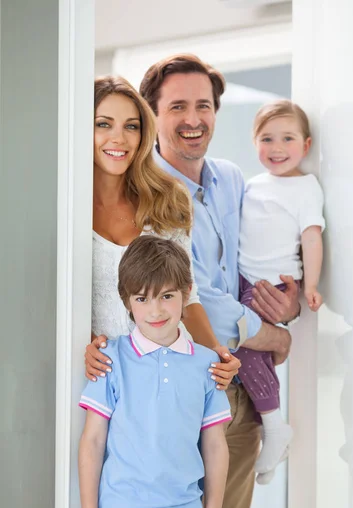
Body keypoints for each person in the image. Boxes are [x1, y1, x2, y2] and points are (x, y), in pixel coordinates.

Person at [139, 54, 300, 508]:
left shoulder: (232, 178)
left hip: (239, 396)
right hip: (177, 394)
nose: (192, 118)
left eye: (203, 105)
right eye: (177, 106)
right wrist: (267, 333)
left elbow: (254, 255)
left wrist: (287, 295)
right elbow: (192, 290)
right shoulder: (147, 190)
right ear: (153, 114)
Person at [78, 235, 231, 508]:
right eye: (142, 299)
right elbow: (93, 441)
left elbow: (215, 446)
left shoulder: (208, 364)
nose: (156, 311)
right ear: (127, 302)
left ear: (186, 291)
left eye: (167, 296)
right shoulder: (109, 359)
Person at [84, 75, 240, 390]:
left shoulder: (168, 199)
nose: (119, 139)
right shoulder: (61, 209)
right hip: (93, 379)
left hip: (165, 379)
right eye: (104, 124)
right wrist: (83, 345)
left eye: (131, 126)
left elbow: (187, 294)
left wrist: (216, 354)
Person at [236, 100, 325, 483]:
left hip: (272, 284)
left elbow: (312, 238)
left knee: (244, 343)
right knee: (246, 352)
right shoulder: (251, 184)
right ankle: (272, 437)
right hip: (242, 278)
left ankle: (274, 426)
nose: (276, 147)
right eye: (267, 138)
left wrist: (312, 286)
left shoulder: (306, 187)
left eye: (287, 139)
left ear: (305, 146)